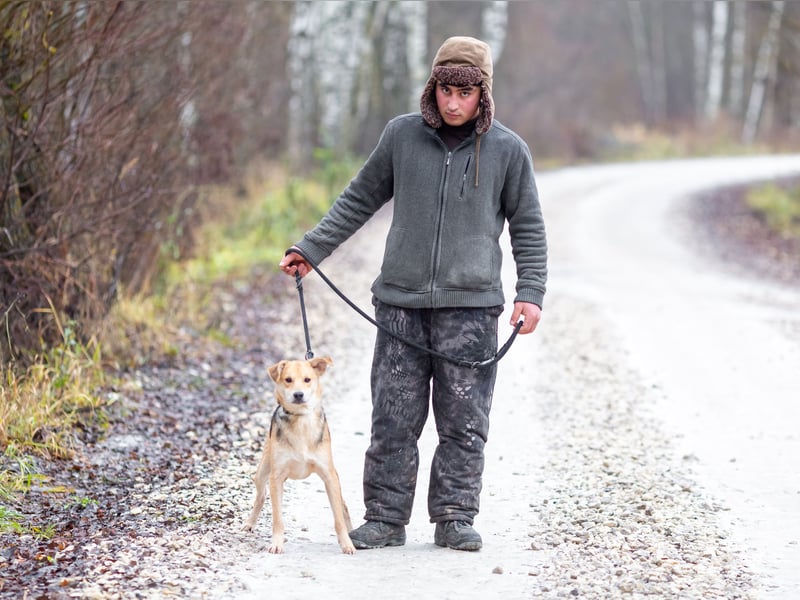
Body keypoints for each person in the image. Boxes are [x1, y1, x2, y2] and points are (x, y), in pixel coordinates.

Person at [279, 36, 547, 551]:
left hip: (471, 309)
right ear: (433, 87)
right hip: (399, 304)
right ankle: (383, 517)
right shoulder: (402, 136)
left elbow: (529, 227)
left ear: (483, 96)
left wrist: (530, 291)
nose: (452, 103)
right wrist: (312, 248)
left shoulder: (509, 150)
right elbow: (359, 197)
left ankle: (454, 516)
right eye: (445, 90)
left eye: (464, 94)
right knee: (393, 416)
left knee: (464, 420)